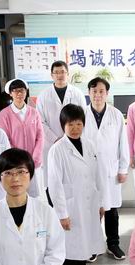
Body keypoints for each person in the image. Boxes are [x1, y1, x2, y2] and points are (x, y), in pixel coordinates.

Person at [47, 104, 107, 265]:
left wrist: (101, 203)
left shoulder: (89, 145)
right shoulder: (57, 150)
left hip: (89, 205)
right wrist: (61, 214)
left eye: (79, 124)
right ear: (63, 125)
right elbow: (54, 184)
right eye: (70, 124)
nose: (75, 128)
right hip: (71, 208)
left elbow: (98, 175)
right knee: (71, 252)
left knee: (85, 247)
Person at [83, 77, 130, 260]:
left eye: (101, 91)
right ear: (89, 93)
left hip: (110, 170)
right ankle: (92, 246)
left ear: (107, 93)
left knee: (111, 210)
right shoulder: (82, 114)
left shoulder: (116, 114)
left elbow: (122, 143)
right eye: (94, 91)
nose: (98, 95)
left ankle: (113, 244)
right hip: (88, 171)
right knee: (91, 209)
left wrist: (123, 168)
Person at [35, 60, 86, 190]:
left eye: (62, 72)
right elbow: (40, 121)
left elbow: (83, 118)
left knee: (74, 179)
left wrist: (72, 136)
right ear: (52, 75)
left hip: (74, 141)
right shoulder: (43, 96)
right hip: (51, 143)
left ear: (67, 73)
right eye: (56, 72)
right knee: (53, 179)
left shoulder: (77, 93)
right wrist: (55, 138)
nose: (60, 75)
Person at [0, 79, 45, 198]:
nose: (19, 93)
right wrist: (18, 160)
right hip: (15, 163)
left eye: (22, 90)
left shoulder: (34, 112)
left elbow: (40, 136)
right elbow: (5, 139)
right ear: (10, 93)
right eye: (15, 91)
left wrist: (34, 158)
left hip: (33, 163)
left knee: (34, 196)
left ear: (26, 92)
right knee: (18, 195)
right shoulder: (4, 114)